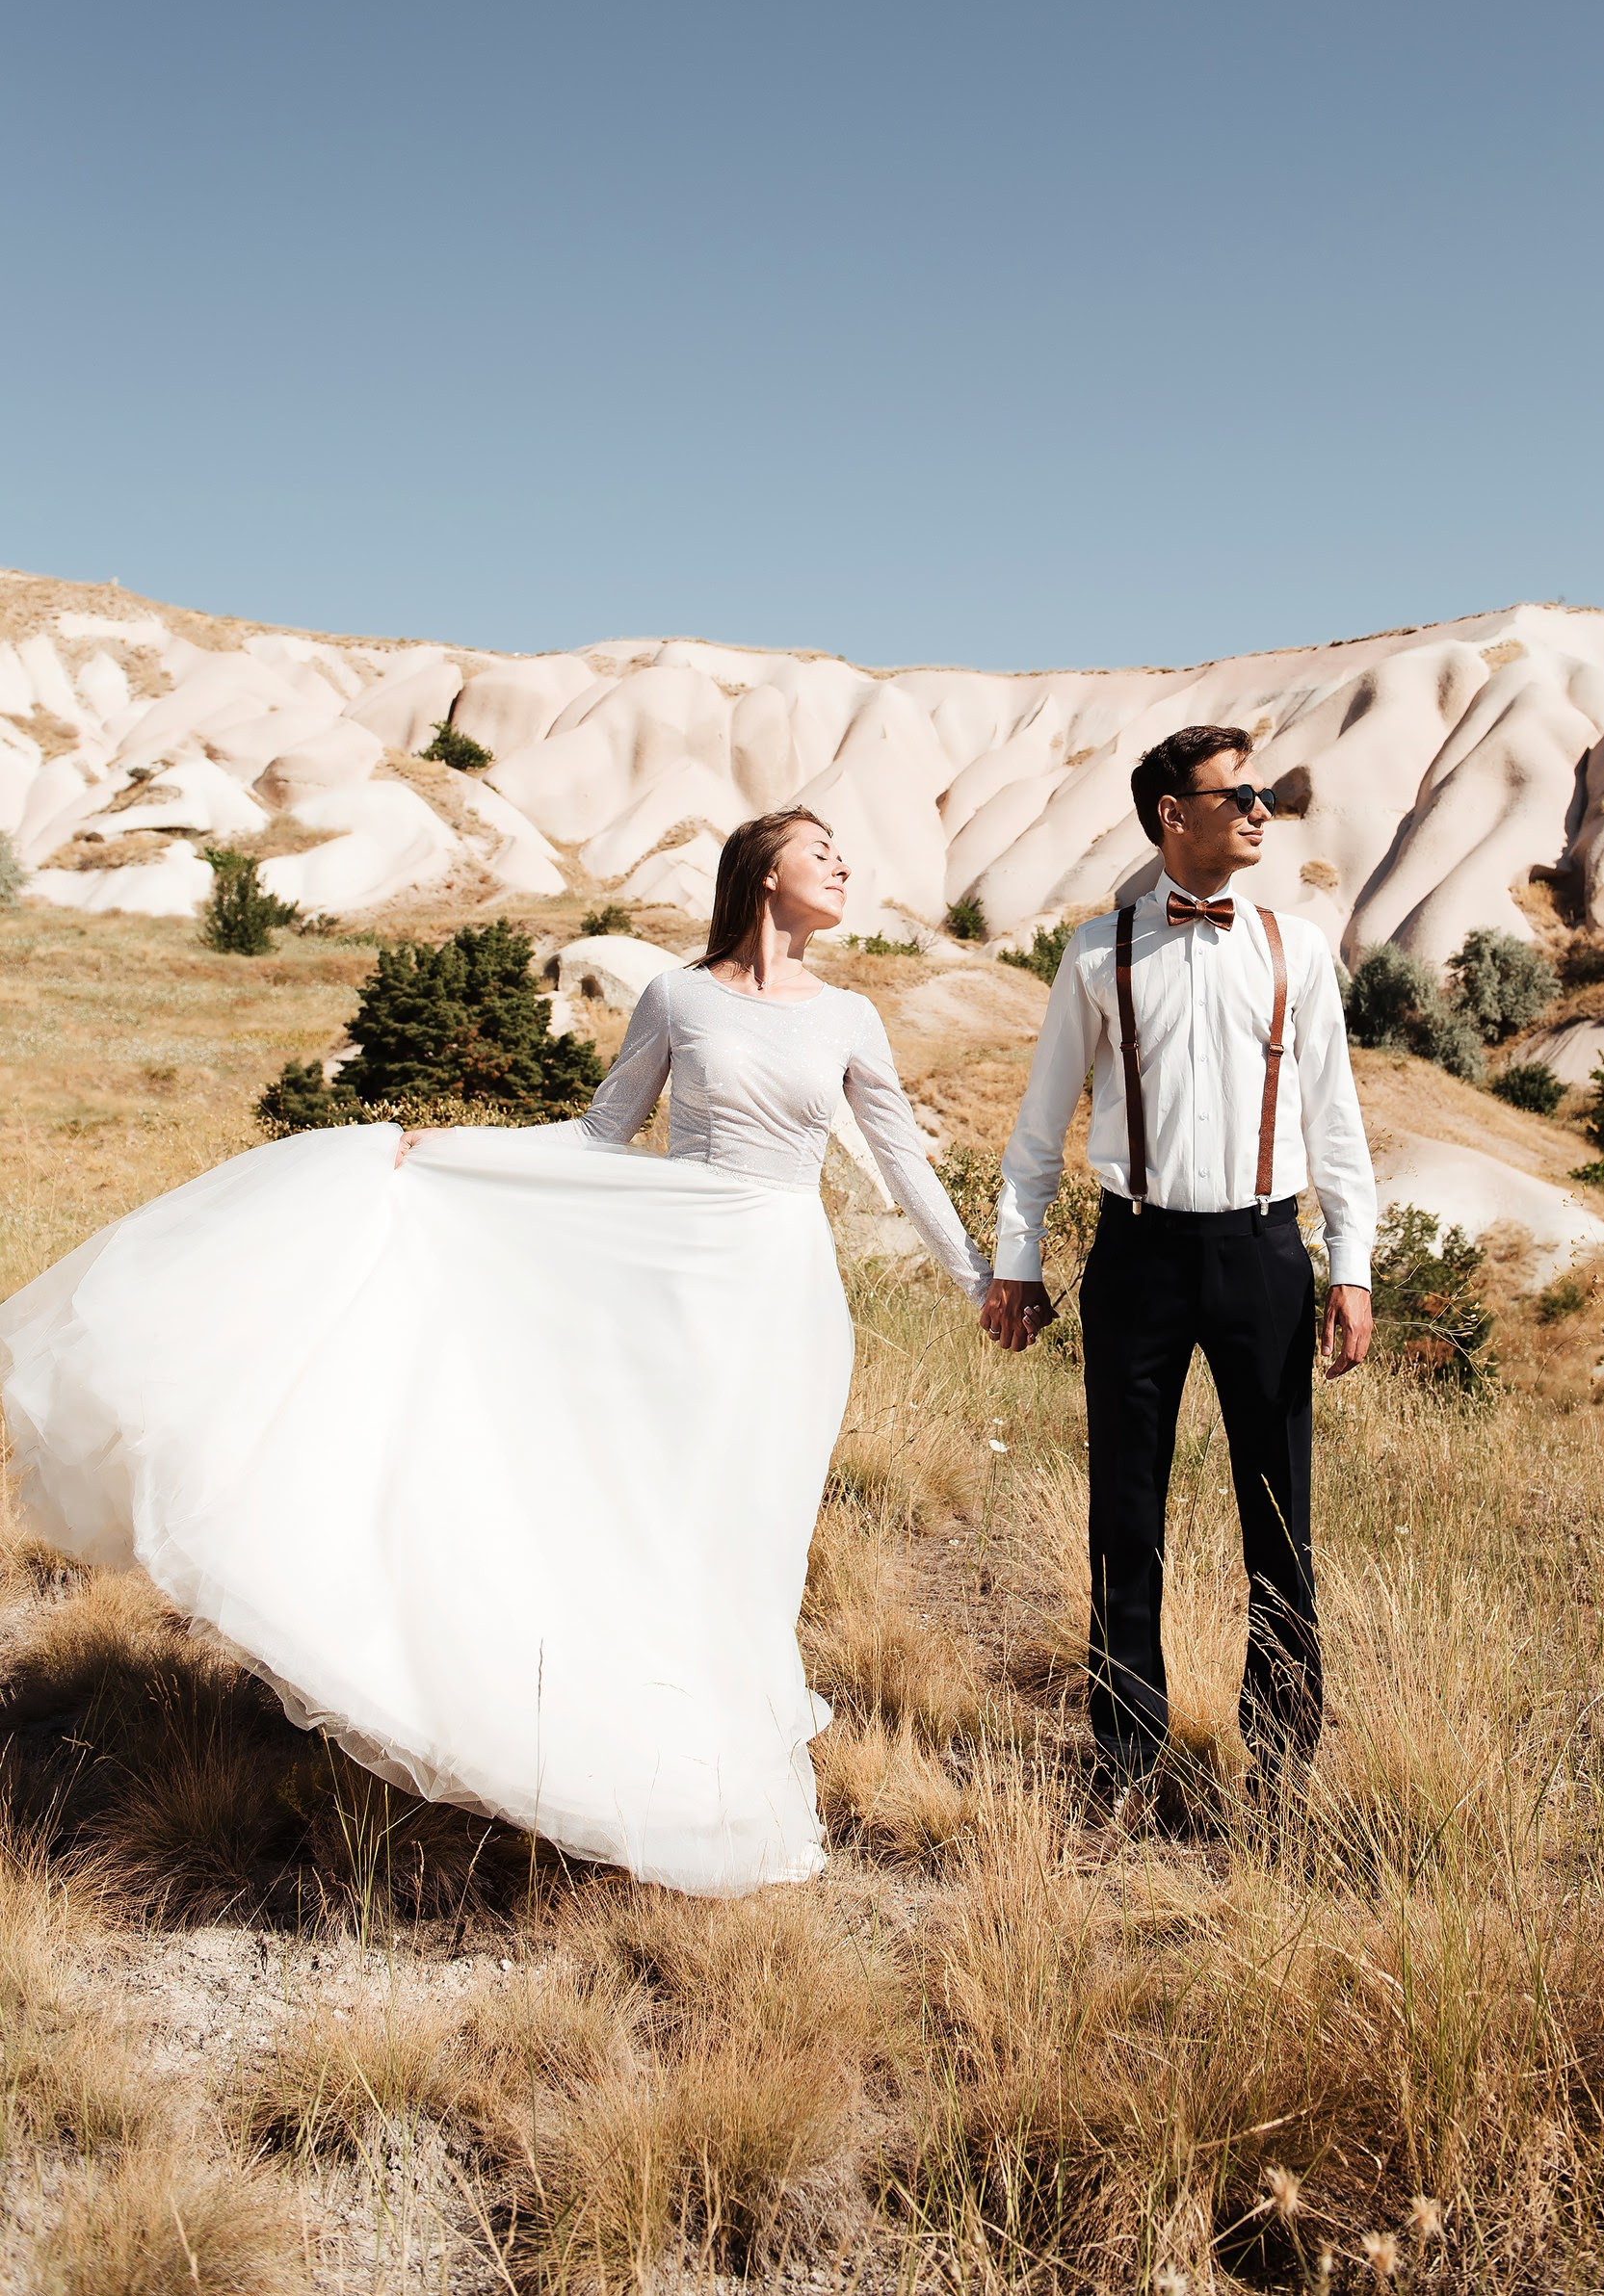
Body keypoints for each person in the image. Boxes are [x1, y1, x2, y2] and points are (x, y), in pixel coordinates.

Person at [0, 809, 988, 1896]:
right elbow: (601, 1131)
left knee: (752, 1523)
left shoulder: (848, 1015)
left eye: (844, 852)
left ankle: (718, 1767)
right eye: (820, 851)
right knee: (653, 1507)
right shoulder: (678, 996)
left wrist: (981, 1279)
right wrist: (449, 1151)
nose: (843, 864)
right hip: (674, 1278)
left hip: (783, 1293)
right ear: (762, 873)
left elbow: (902, 1158)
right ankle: (616, 1745)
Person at [981, 725, 1376, 1811]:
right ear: (1173, 815)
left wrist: (1351, 1265)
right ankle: (1123, 1749)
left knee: (1279, 1514)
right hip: (1135, 1253)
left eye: (1261, 792)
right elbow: (1039, 1123)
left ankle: (1284, 1754)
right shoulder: (1093, 952)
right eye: (1236, 794)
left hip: (1263, 1253)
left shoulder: (1298, 949)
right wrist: (1017, 1259)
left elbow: (1335, 1121)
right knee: (1124, 1512)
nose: (1260, 810)